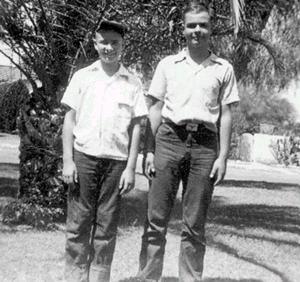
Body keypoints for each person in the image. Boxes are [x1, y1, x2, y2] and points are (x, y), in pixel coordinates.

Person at [138, 1, 240, 281]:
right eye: (191, 25)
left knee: (194, 225)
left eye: (203, 25)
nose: (197, 30)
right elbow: (155, 108)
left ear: (211, 27)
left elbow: (227, 114)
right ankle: (148, 278)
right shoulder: (168, 65)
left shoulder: (223, 68)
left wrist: (222, 157)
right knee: (155, 221)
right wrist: (149, 150)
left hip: (206, 146)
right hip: (169, 139)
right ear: (182, 29)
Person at [61, 19, 148, 282]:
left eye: (115, 43)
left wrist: (131, 167)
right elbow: (69, 119)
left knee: (106, 226)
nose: (109, 47)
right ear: (95, 43)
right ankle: (75, 277)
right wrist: (68, 160)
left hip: (116, 163)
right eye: (104, 42)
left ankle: (99, 278)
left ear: (123, 45)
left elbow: (137, 127)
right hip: (84, 158)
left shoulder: (132, 82)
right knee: (78, 223)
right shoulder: (82, 77)